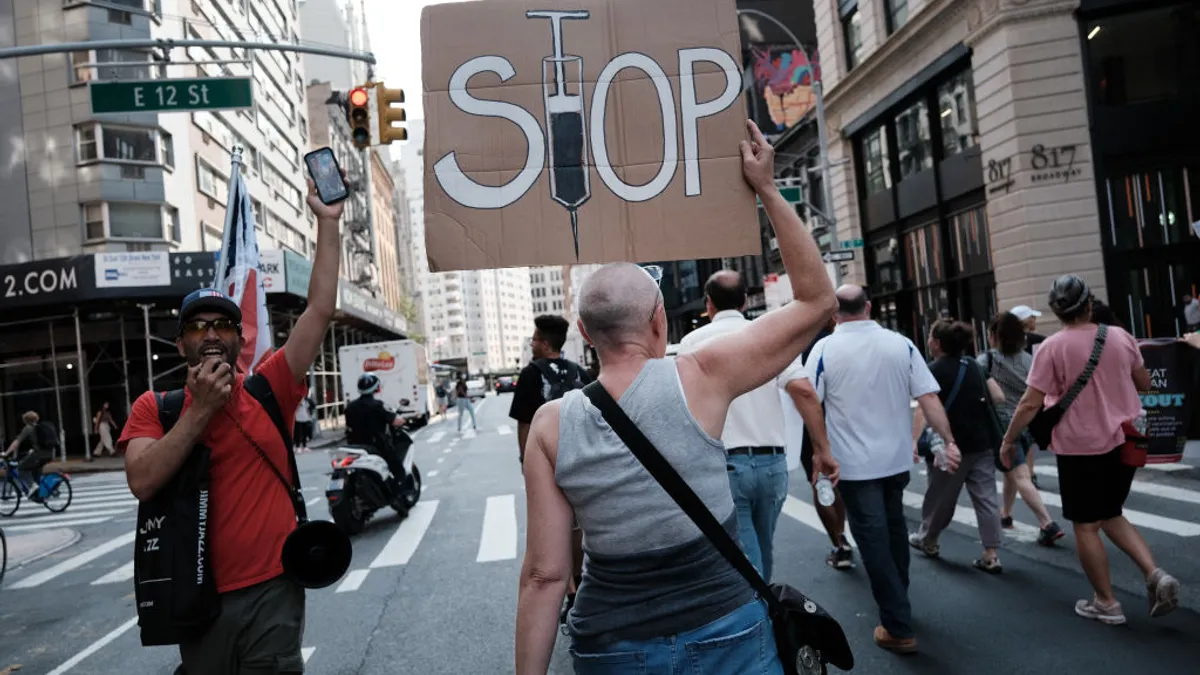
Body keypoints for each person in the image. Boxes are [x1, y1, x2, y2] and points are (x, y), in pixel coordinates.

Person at [515, 119, 837, 674]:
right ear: (660, 321)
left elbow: (545, 576)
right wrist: (765, 186)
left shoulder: (550, 426)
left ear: (586, 336)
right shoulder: (703, 375)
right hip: (728, 632)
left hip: (612, 646)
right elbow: (817, 300)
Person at [119, 169, 345, 673]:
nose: (212, 333)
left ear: (241, 340)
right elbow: (143, 478)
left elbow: (320, 310)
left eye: (224, 324)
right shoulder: (155, 408)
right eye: (198, 327)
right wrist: (200, 410)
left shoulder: (270, 387)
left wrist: (328, 222)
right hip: (199, 597)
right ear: (182, 346)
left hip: (274, 591)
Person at [1000, 274, 1179, 625]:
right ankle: (1155, 575)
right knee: (1111, 511)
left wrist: (1009, 440)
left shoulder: (1051, 348)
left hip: (1079, 447)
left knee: (1086, 525)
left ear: (1056, 311)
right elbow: (1144, 383)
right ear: (1089, 304)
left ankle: (1106, 602)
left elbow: (1029, 404)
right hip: (1125, 441)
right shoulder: (1120, 337)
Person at [802, 285, 959, 654]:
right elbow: (928, 397)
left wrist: (817, 453)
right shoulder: (900, 344)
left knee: (873, 538)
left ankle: (897, 623)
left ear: (833, 313)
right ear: (869, 307)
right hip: (896, 459)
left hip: (854, 464)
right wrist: (949, 439)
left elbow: (809, 400)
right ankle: (897, 602)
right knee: (892, 530)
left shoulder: (825, 348)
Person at [677, 270, 836, 583]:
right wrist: (822, 450)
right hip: (772, 464)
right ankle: (768, 619)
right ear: (745, 301)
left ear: (708, 304)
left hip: (724, 466)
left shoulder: (691, 344)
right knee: (762, 548)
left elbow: (683, 407)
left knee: (746, 556)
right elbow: (803, 390)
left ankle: (762, 623)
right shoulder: (768, 337)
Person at [509, 314, 592, 625]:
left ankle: (572, 597)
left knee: (553, 533)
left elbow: (525, 423)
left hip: (547, 463)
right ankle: (580, 587)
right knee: (578, 528)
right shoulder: (580, 373)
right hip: (583, 459)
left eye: (534, 338)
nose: (531, 343)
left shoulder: (531, 375)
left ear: (544, 343)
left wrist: (523, 460)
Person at [909, 319, 1006, 573]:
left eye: (930, 337)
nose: (929, 341)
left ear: (938, 343)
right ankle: (991, 553)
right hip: (981, 441)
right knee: (986, 498)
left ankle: (929, 540)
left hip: (949, 445)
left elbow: (923, 408)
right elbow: (998, 396)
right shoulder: (973, 365)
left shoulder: (932, 370)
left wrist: (914, 441)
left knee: (941, 497)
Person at [979, 312, 1063, 545]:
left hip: (1006, 427)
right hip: (1027, 424)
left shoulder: (987, 360)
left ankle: (1047, 523)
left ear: (995, 335)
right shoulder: (1030, 361)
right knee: (1012, 472)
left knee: (1020, 475)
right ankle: (1005, 515)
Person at [786, 316, 854, 570]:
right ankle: (842, 534)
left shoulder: (798, 347)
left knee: (821, 485)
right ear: (833, 320)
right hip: (841, 424)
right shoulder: (840, 345)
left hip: (810, 427)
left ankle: (839, 542)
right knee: (840, 482)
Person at [345, 373, 409, 484]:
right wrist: (403, 420)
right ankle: (400, 488)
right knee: (396, 465)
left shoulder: (350, 407)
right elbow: (395, 421)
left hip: (354, 446)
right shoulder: (378, 405)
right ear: (377, 387)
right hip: (376, 445)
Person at [2, 411, 56, 500]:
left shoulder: (28, 428)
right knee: (36, 473)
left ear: (25, 420)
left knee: (20, 468)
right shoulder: (40, 427)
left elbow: (17, 442)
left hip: (39, 455)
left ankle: (32, 487)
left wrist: (7, 453)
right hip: (49, 453)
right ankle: (38, 496)